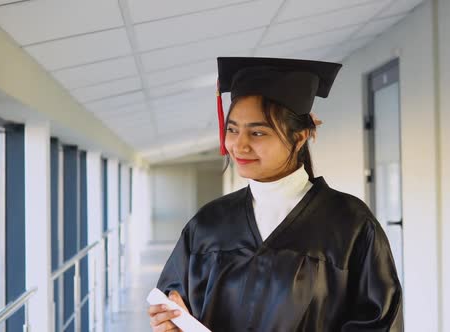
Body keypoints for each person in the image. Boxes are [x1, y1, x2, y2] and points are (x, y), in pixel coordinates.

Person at [147, 57, 403, 331]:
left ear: (300, 136)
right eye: (232, 130)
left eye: (257, 133)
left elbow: (378, 322)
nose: (239, 145)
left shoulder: (349, 224)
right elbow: (173, 304)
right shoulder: (208, 224)